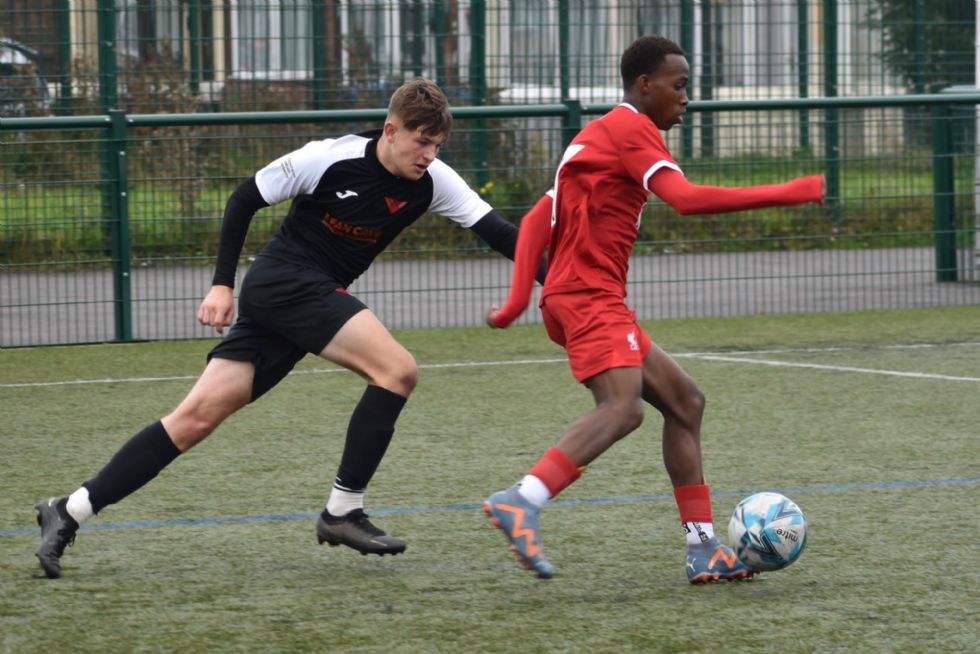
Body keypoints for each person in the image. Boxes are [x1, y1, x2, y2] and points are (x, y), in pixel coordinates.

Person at [34, 78, 539, 579]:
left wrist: (563, 281)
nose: (428, 154)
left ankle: (70, 509)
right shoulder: (328, 157)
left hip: (300, 301)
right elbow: (243, 200)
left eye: (437, 144)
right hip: (284, 284)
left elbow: (503, 236)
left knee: (193, 419)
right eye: (421, 141)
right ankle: (343, 511)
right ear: (391, 130)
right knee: (397, 370)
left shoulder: (435, 182)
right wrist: (220, 286)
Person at [482, 35, 824, 582]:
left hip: (580, 298)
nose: (686, 98)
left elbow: (532, 223)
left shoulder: (589, 139)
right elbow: (686, 200)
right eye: (679, 86)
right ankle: (523, 498)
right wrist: (792, 190)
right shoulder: (630, 129)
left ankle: (703, 547)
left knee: (685, 401)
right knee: (624, 408)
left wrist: (517, 301)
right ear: (646, 85)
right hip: (590, 299)